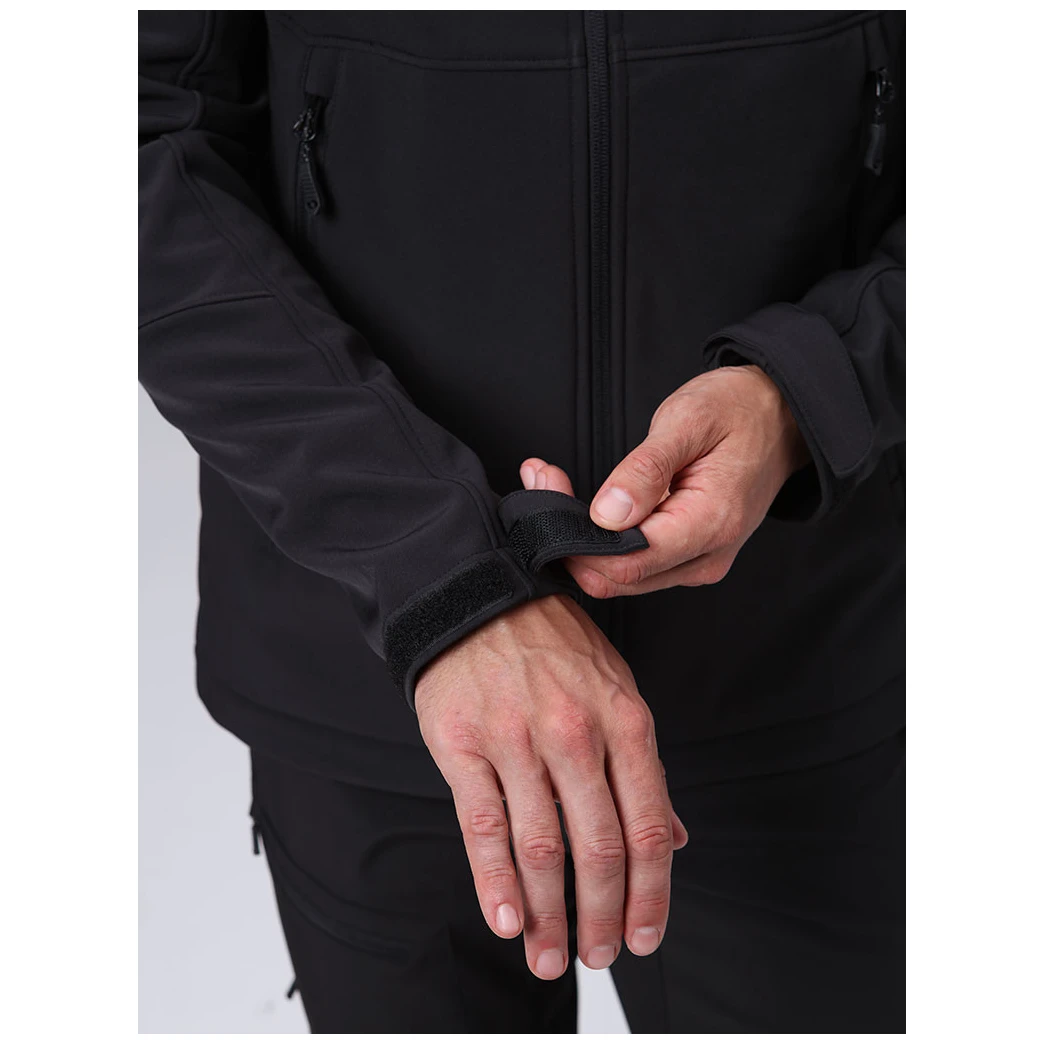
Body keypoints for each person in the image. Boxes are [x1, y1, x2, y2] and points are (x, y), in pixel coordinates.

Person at [139, 10, 905, 1033]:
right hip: (370, 674)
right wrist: (436, 577)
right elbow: (137, 131)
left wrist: (809, 391)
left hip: (803, 658)